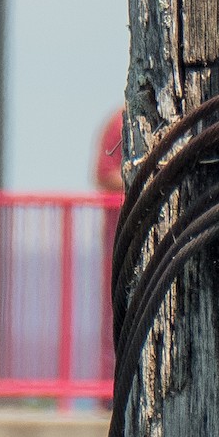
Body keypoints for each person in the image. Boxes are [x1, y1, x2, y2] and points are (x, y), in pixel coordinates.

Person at [92, 109, 125, 394]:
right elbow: (104, 174)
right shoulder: (120, 121)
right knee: (115, 310)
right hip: (119, 238)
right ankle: (109, 392)